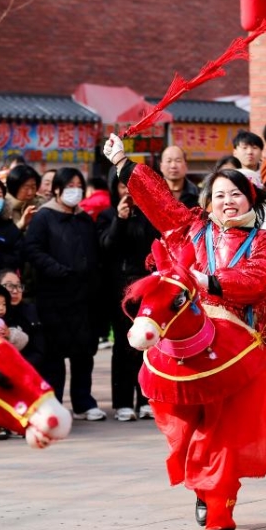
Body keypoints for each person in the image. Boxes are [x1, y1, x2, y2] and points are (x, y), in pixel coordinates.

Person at [104, 132, 266, 530]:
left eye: (236, 194)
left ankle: (219, 510)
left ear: (251, 199)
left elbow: (259, 280)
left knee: (223, 431)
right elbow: (159, 201)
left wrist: (209, 279)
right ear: (209, 201)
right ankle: (201, 484)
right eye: (219, 195)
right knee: (185, 427)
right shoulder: (189, 229)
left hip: (240, 347)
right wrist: (124, 164)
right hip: (189, 344)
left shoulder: (264, 242)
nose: (227, 201)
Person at [24, 167, 105, 420]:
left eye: (78, 185)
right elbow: (33, 250)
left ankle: (84, 402)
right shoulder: (44, 217)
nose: (75, 190)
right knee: (54, 356)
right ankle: (55, 402)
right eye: (69, 186)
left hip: (84, 297)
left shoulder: (83, 218)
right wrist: (57, 269)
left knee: (84, 354)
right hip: (54, 295)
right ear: (57, 189)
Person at [98, 170, 160, 421]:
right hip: (119, 290)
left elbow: (155, 246)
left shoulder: (149, 215)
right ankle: (122, 402)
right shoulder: (106, 215)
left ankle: (145, 399)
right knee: (123, 346)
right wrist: (119, 220)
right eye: (123, 187)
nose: (127, 192)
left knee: (148, 344)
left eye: (132, 187)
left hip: (148, 288)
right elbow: (106, 246)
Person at [0, 268, 44, 371]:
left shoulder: (30, 311)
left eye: (18, 286)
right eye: (9, 286)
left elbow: (39, 351)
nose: (15, 291)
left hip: (27, 371)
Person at [6, 164, 44, 232]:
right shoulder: (3, 207)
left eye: (33, 187)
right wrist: (21, 225)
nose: (30, 192)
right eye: (26, 188)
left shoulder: (41, 206)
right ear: (14, 187)